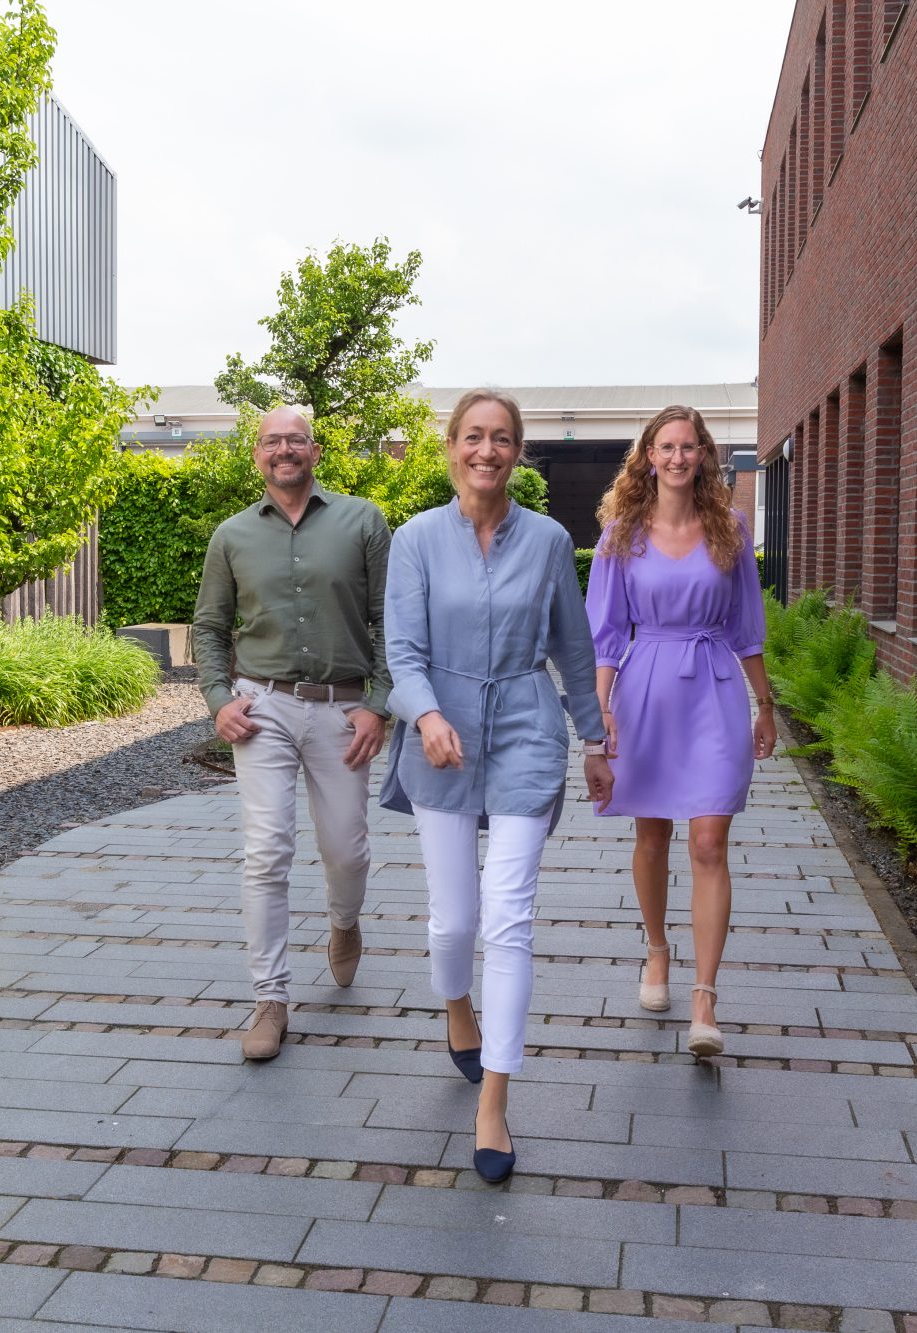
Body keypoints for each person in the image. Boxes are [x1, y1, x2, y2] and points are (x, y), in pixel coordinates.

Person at [381, 388, 610, 1183]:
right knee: (454, 920)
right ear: (451, 446)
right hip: (439, 736)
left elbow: (573, 647)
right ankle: (457, 1007)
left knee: (508, 919)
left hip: (524, 729)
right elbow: (402, 652)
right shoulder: (414, 539)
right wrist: (425, 714)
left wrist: (595, 739)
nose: (487, 450)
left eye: (502, 437)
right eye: (474, 436)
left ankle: (494, 1103)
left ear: (517, 451)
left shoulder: (548, 540)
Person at [193, 406, 392, 1062]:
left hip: (344, 709)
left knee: (347, 850)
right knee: (266, 850)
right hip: (264, 708)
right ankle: (270, 999)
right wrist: (219, 699)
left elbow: (390, 618)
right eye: (272, 441)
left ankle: (344, 921)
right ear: (257, 454)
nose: (284, 450)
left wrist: (380, 705)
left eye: (295, 440)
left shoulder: (363, 522)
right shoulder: (231, 536)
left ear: (315, 449)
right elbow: (209, 626)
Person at [585, 404, 776, 1058]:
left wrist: (766, 704)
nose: (677, 457)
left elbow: (747, 626)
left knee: (709, 839)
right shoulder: (620, 535)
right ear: (648, 456)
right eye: (665, 446)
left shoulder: (730, 526)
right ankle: (657, 949)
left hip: (714, 688)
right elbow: (606, 634)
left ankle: (705, 997)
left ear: (703, 455)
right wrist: (600, 710)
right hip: (645, 691)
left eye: (688, 446)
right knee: (652, 833)